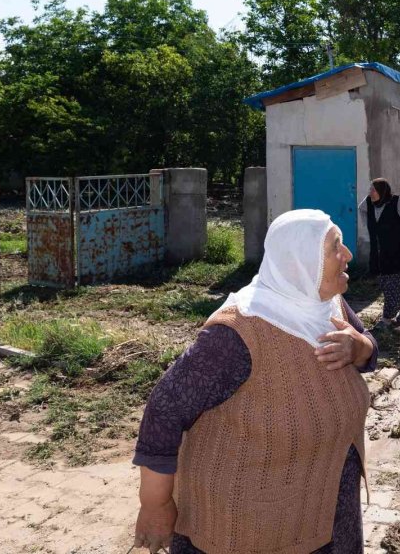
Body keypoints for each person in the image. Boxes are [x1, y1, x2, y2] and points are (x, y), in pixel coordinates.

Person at [132, 209, 377, 554]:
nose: (347, 254)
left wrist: (360, 347)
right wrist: (155, 505)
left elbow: (366, 346)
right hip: (249, 529)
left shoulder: (326, 304)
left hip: (329, 511)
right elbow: (165, 409)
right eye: (335, 246)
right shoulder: (238, 335)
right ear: (299, 263)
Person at [359, 178, 400, 327]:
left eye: (373, 190)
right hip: (379, 252)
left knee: (394, 283)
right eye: (370, 189)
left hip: (398, 251)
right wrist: (369, 228)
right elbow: (361, 210)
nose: (370, 192)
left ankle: (387, 319)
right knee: (386, 284)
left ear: (382, 191)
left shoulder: (397, 202)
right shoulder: (369, 202)